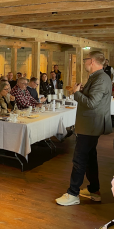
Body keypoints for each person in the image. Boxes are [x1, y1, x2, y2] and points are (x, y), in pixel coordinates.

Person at [56, 51, 112, 206]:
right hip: (90, 125)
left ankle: (73, 194)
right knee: (90, 158)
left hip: (90, 126)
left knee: (79, 159)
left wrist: (76, 93)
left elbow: (91, 103)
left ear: (92, 61)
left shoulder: (100, 78)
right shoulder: (98, 77)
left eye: (86, 59)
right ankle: (94, 190)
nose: (84, 62)